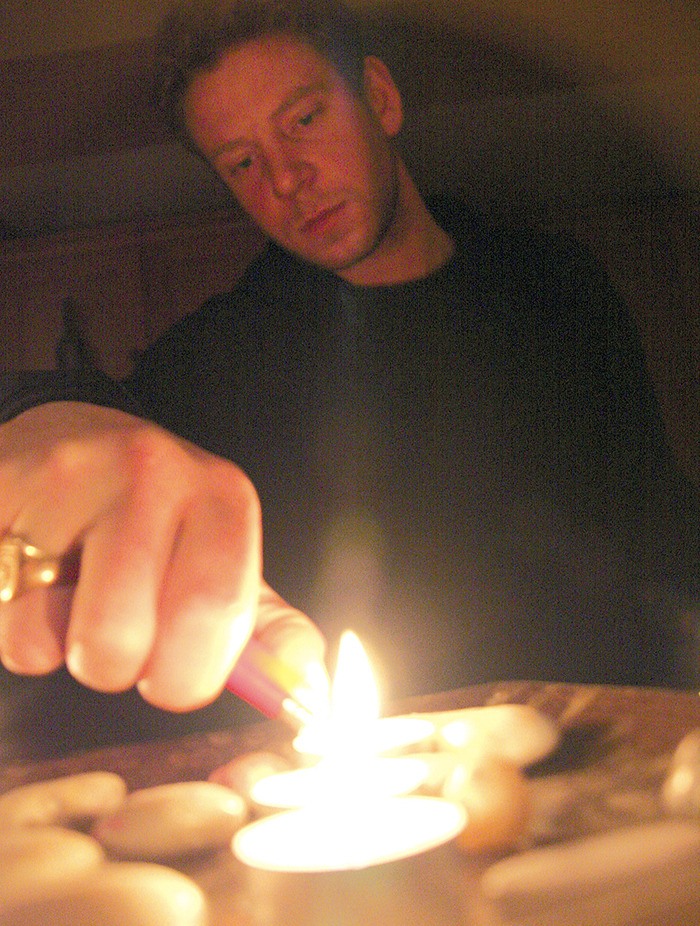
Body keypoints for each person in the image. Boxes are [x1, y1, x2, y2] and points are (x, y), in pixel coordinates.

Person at [0, 0, 698, 758]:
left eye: (303, 119)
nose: (288, 176)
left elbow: (655, 529)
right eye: (241, 162)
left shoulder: (558, 284)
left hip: (621, 751)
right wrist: (38, 417)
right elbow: (90, 450)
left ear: (381, 98)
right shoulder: (217, 358)